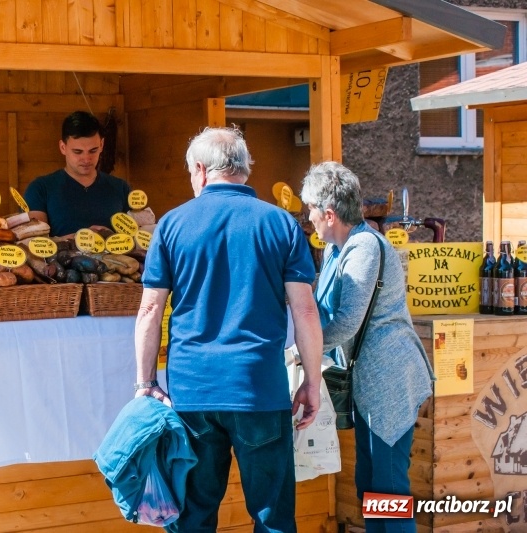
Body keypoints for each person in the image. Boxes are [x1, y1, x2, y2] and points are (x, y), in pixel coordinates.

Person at [134, 126, 323, 533]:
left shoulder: (170, 225)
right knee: (273, 516)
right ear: (243, 169)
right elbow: (306, 312)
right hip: (259, 388)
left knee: (193, 516)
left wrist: (145, 381)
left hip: (191, 392)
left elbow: (150, 309)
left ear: (200, 170)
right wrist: (311, 380)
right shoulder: (281, 224)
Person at [300, 161, 434, 533]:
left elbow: (344, 323)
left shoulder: (363, 248)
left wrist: (301, 343)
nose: (308, 218)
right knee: (370, 487)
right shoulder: (335, 250)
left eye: (310, 209)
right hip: (369, 384)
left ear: (329, 214)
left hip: (390, 382)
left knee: (388, 490)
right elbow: (320, 310)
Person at [24, 110, 130, 237]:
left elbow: (137, 239)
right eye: (78, 152)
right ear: (63, 147)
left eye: (93, 150)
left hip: (116, 257)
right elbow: (36, 244)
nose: (86, 159)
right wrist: (80, 239)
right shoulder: (40, 189)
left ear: (101, 145)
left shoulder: (121, 188)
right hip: (62, 257)